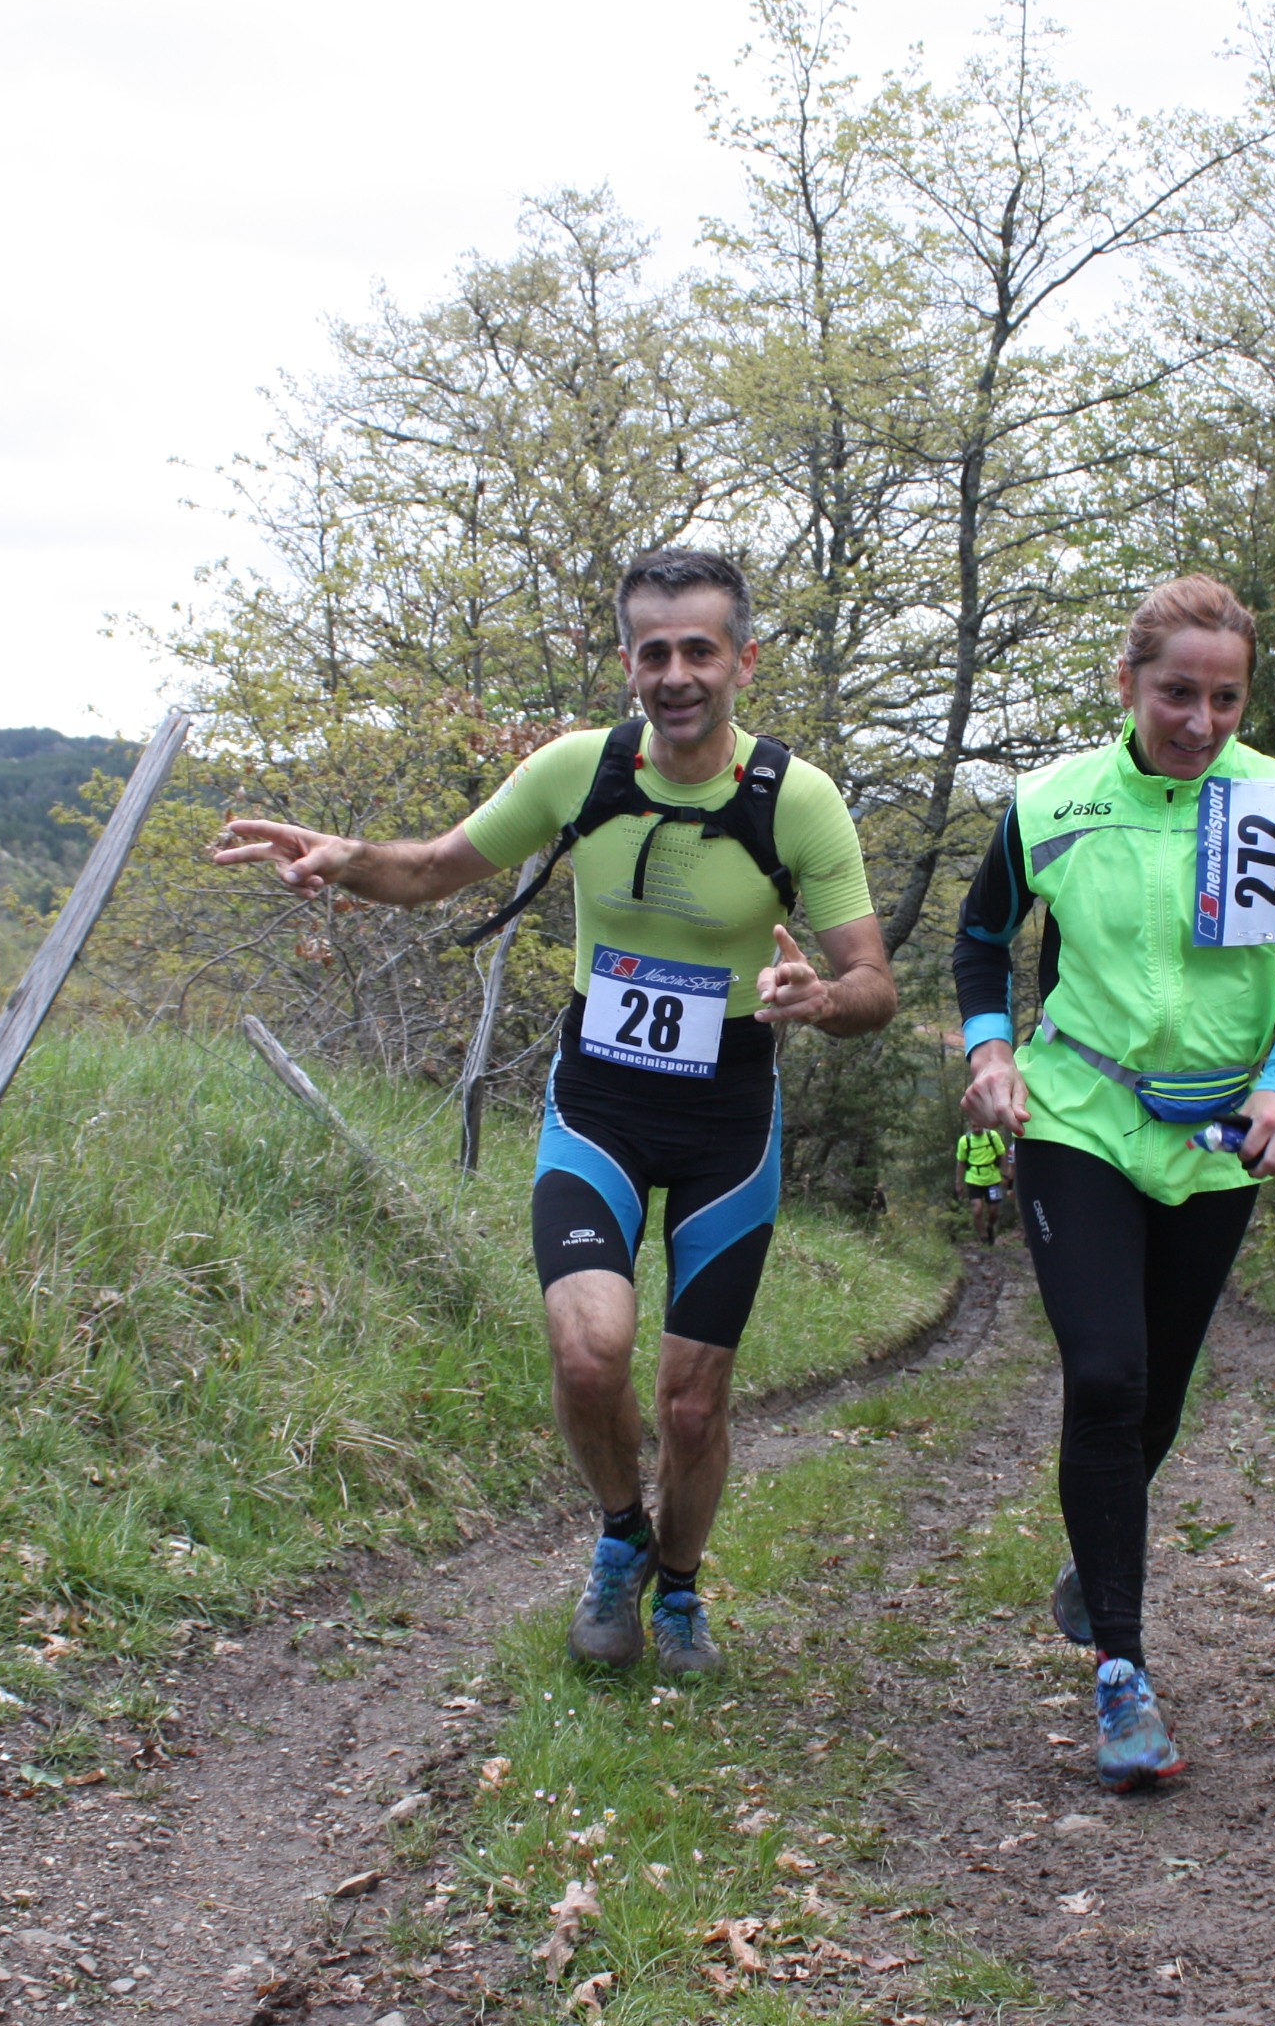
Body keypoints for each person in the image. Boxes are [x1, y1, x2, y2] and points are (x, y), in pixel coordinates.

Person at [210, 547, 896, 1679]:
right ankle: (622, 1536)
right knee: (589, 1356)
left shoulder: (796, 799)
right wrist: (343, 860)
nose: (675, 675)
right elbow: (432, 870)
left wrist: (821, 1000)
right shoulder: (580, 769)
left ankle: (678, 1591)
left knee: (689, 1404)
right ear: (627, 661)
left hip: (728, 1117)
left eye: (699, 650)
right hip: (601, 1104)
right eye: (652, 651)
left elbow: (874, 983)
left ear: (743, 661)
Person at [950, 573, 1275, 1791]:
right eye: (1177, 691)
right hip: (1077, 1112)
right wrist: (988, 1050)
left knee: (1161, 1399)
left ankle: (1098, 1557)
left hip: (1216, 1136)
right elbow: (981, 939)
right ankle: (1121, 1672)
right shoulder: (1052, 801)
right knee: (1108, 1372)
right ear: (1126, 684)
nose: (1200, 719)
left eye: (1225, 696)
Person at [956, 1126, 1011, 1243]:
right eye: (974, 1126)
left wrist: (1005, 1174)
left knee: (994, 1210)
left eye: (979, 1126)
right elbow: (961, 1162)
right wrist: (958, 1183)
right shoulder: (964, 1140)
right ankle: (983, 1237)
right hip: (973, 1179)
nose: (976, 1129)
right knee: (977, 1209)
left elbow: (1002, 1155)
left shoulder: (993, 1136)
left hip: (993, 1178)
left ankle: (990, 1227)